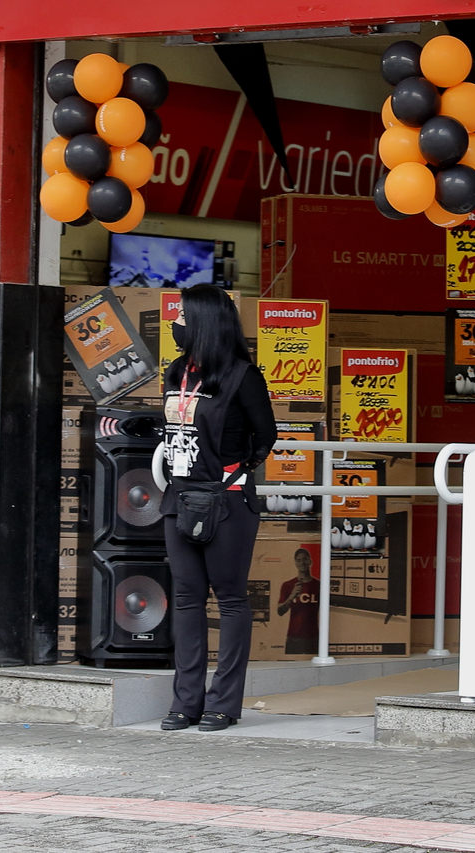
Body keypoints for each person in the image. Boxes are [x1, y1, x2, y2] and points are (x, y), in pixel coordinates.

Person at [158, 284, 277, 732]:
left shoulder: (243, 376)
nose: (175, 323)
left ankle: (223, 703)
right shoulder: (176, 372)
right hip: (179, 497)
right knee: (186, 599)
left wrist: (236, 469)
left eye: (182, 316)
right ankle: (185, 702)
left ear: (204, 322)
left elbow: (266, 435)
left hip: (226, 499)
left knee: (229, 598)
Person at [277, 548, 319, 655]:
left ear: (310, 561)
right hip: (293, 637)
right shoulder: (288, 585)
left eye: (305, 559)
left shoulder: (319, 585)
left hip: (313, 637)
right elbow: (280, 611)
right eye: (298, 560)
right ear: (295, 563)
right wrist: (292, 596)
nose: (302, 563)